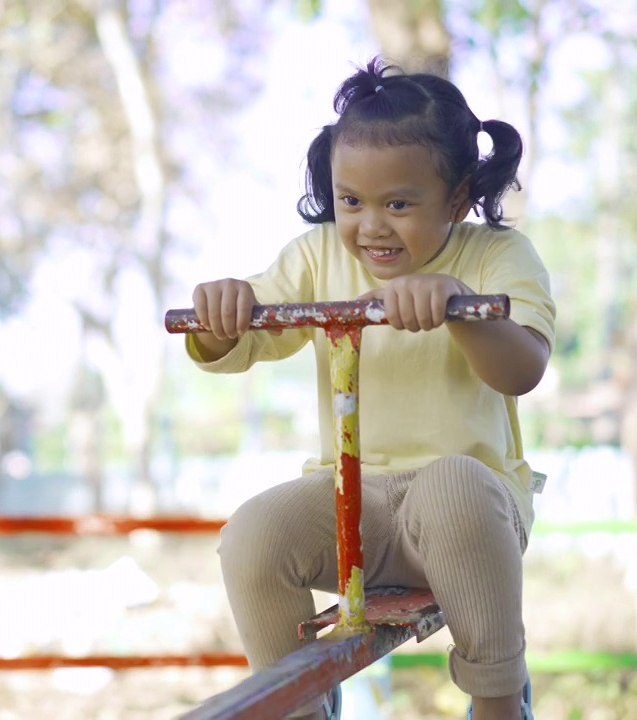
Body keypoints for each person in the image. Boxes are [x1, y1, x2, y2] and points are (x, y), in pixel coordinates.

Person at [183, 57, 555, 720]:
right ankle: (299, 709)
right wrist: (221, 315)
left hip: (467, 514)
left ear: (459, 197)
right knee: (253, 532)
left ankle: (498, 701)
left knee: (455, 485)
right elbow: (243, 340)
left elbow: (522, 369)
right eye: (352, 200)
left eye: (400, 204)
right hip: (354, 503)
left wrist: (460, 307)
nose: (371, 226)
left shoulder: (495, 257)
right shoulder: (318, 255)